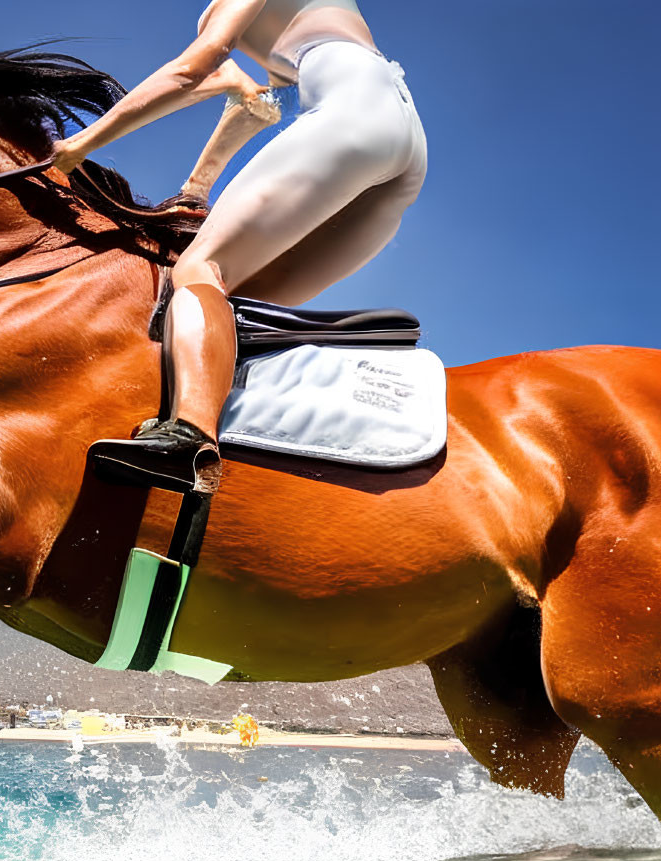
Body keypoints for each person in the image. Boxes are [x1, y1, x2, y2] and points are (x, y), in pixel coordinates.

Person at [54, 0, 428, 492]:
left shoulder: (224, 12)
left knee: (198, 272)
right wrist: (196, 189)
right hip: (405, 140)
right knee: (242, 301)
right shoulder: (300, 22)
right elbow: (259, 103)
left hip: (354, 114)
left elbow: (193, 68)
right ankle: (255, 459)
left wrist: (81, 145)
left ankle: (188, 436)